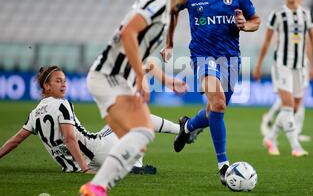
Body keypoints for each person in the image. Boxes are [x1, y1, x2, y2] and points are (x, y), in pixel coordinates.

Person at [70, 0, 197, 196]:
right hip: (110, 79)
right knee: (143, 132)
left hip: (112, 81)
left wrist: (167, 80)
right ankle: (97, 188)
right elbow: (128, 33)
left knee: (137, 143)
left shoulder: (160, 5)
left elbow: (139, 50)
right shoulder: (159, 2)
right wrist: (140, 77)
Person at [161, 0, 261, 185]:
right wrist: (169, 43)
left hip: (230, 59)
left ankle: (188, 127)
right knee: (217, 103)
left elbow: (256, 21)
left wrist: (244, 25)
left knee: (216, 109)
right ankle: (223, 166)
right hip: (203, 56)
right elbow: (172, 12)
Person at [0, 62, 192, 174]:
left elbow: (16, 141)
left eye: (65, 81)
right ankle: (180, 130)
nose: (64, 85)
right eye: (58, 81)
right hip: (95, 152)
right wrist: (85, 169)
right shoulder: (62, 104)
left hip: (75, 165)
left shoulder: (35, 113)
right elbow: (69, 138)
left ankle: (134, 162)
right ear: (46, 87)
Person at [253, 0, 313, 157]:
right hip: (282, 65)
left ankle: (270, 138)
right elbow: (266, 42)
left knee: (294, 107)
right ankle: (296, 147)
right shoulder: (277, 14)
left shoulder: (306, 14)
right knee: (287, 105)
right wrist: (258, 65)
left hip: (300, 67)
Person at [260, 40, 313, 142]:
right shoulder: (287, 27)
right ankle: (274, 123)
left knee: (295, 99)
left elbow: (308, 44)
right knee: (290, 98)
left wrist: (310, 65)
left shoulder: (301, 26)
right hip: (288, 63)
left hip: (300, 63)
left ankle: (271, 120)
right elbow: (309, 44)